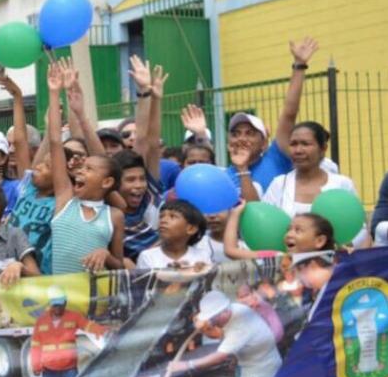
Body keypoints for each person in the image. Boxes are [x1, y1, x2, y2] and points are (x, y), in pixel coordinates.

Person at [46, 63, 126, 275]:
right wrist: (54, 93)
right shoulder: (65, 200)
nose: (80, 170)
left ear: (107, 182)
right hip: (62, 302)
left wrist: (106, 255)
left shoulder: (115, 216)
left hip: (98, 303)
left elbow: (120, 266)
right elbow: (55, 142)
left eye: (88, 168)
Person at [226, 38, 319, 200]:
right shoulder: (223, 177)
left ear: (264, 143)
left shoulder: (276, 158)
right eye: (236, 133)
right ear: (228, 143)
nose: (241, 138)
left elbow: (289, 114)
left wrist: (299, 66)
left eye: (250, 133)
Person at [116, 56, 168, 264]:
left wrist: (152, 96)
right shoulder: (110, 215)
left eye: (141, 178)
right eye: (130, 180)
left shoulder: (150, 196)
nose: (138, 186)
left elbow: (149, 142)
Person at [263, 121, 358, 219]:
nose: (298, 150)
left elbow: (357, 227)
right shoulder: (279, 185)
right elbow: (266, 222)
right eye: (293, 144)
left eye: (305, 144)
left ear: (323, 148)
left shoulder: (342, 185)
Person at [30, 285, 108, 377]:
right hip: (49, 371)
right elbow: (36, 346)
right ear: (50, 304)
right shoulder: (41, 321)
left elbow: (88, 325)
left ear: (65, 303)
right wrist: (36, 366)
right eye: (55, 305)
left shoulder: (73, 317)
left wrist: (103, 330)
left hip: (69, 370)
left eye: (60, 305)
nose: (57, 308)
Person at [135, 200, 210, 270]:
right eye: (161, 216)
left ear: (191, 229)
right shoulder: (147, 257)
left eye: (172, 216)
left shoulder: (202, 256)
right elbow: (145, 283)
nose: (163, 220)